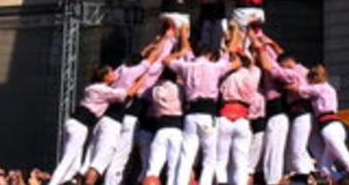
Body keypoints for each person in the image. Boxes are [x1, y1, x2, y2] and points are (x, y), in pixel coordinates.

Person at [89, 32, 176, 185]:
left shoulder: (121, 71)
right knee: (122, 159)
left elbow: (141, 59)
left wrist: (151, 47)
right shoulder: (144, 74)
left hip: (121, 119)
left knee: (122, 159)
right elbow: (157, 59)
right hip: (131, 120)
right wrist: (166, 39)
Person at [168, 26, 241, 185]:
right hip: (208, 113)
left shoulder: (186, 66)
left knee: (186, 155)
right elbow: (233, 60)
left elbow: (168, 60)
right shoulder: (215, 67)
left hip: (190, 114)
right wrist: (235, 33)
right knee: (209, 157)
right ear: (209, 55)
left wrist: (182, 36)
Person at [52, 65, 149, 185]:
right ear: (105, 77)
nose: (115, 74)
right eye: (111, 73)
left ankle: (65, 182)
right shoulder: (102, 90)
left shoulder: (93, 87)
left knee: (75, 166)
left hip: (75, 123)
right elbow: (127, 93)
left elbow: (122, 72)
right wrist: (143, 78)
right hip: (80, 126)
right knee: (68, 160)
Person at [293, 64, 349, 185]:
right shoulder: (329, 88)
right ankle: (344, 179)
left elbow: (299, 89)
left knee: (348, 162)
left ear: (313, 78)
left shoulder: (319, 88)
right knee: (324, 167)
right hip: (336, 127)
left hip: (329, 129)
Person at [255, 34, 313, 180]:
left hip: (291, 113)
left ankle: (279, 180)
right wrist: (270, 43)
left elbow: (269, 66)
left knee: (290, 152)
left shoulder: (292, 72)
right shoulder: (300, 69)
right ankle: (308, 175)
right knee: (294, 152)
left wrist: (258, 42)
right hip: (296, 114)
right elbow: (281, 56)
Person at [216, 33, 262, 185]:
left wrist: (233, 42)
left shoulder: (226, 75)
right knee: (241, 162)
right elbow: (254, 63)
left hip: (225, 116)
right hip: (243, 119)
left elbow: (226, 60)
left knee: (221, 160)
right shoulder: (254, 74)